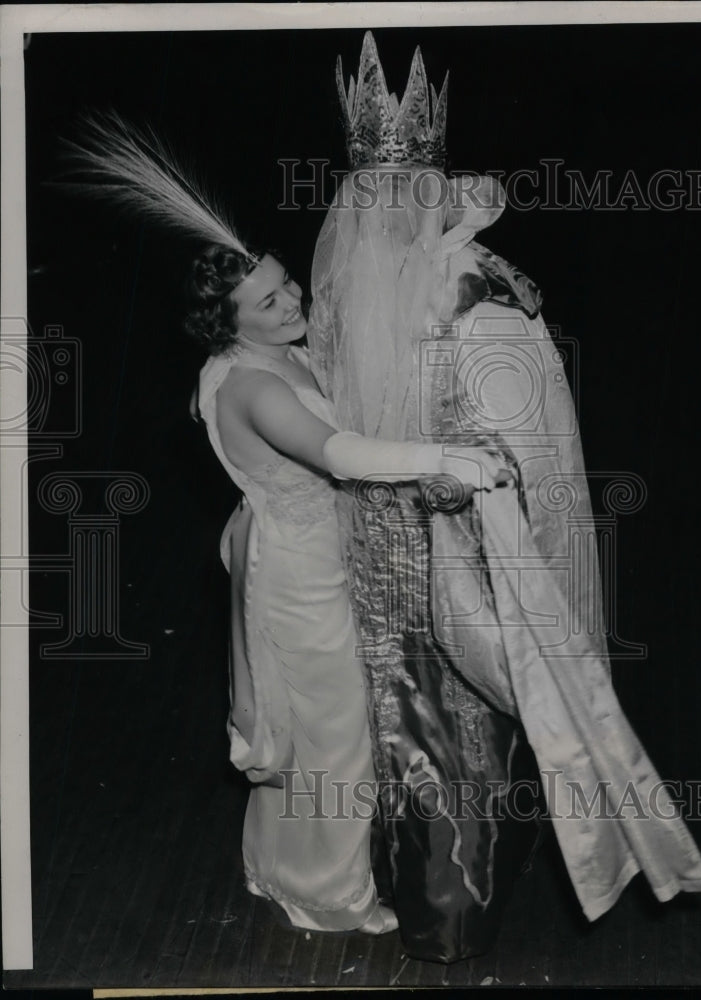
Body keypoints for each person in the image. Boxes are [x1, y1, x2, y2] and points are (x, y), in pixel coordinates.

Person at [307, 30, 701, 961]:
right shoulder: (341, 284)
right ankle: (425, 897)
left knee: (461, 729)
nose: (382, 219)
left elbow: (533, 434)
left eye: (401, 198)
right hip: (374, 547)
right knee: (402, 726)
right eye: (370, 200)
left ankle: (456, 908)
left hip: (459, 549)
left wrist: (472, 470)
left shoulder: (477, 288)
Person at [60, 112, 508, 937]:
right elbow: (338, 453)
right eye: (268, 299)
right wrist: (445, 459)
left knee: (305, 730)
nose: (293, 297)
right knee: (335, 739)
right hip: (301, 574)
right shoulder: (252, 386)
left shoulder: (276, 352)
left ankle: (270, 867)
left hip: (299, 551)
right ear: (228, 324)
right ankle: (326, 896)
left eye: (285, 282)